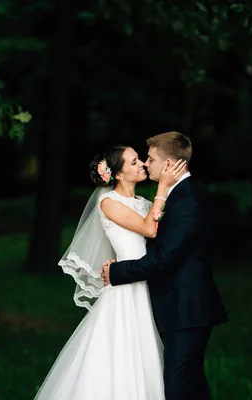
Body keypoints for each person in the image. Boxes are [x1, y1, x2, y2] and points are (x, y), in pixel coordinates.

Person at [34, 144, 186, 400]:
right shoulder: (109, 202)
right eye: (134, 161)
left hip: (142, 281)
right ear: (118, 174)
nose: (142, 165)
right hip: (125, 288)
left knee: (144, 351)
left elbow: (151, 240)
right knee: (120, 353)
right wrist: (163, 187)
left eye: (140, 159)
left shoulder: (143, 203)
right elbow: (149, 229)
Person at [101, 132, 228, 399]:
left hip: (187, 309)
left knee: (179, 387)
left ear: (169, 164)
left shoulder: (187, 201)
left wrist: (117, 272)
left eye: (150, 158)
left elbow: (163, 258)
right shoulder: (176, 196)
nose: (146, 164)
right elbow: (157, 243)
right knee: (188, 385)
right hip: (173, 307)